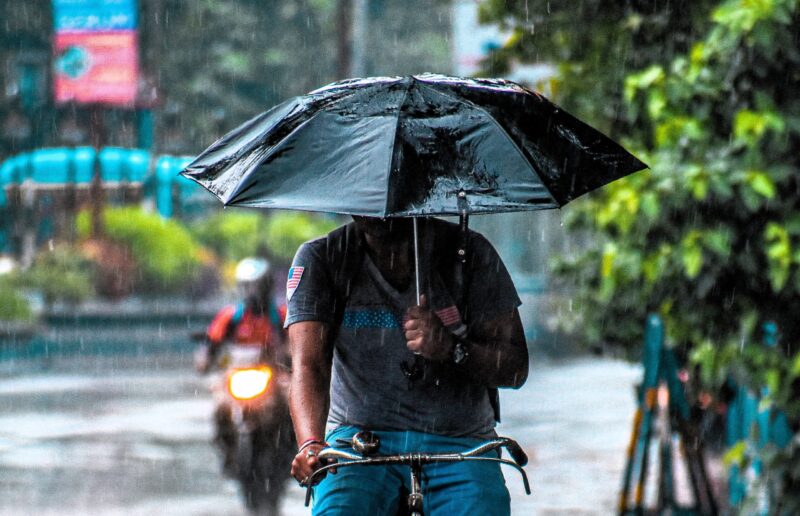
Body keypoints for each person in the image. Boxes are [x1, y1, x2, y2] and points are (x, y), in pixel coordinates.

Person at [286, 216, 529, 515]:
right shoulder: (322, 258)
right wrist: (311, 442)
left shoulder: (470, 253)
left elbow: (516, 367)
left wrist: (452, 348)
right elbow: (309, 366)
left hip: (462, 443)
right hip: (358, 442)